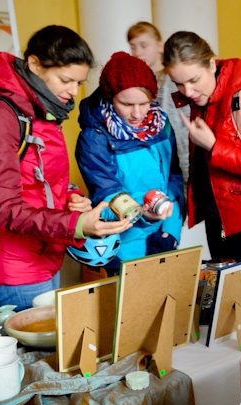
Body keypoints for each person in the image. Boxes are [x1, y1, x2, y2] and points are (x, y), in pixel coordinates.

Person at [0, 26, 130, 310]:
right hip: (12, 261)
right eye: (66, 80)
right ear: (35, 65)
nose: (73, 92)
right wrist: (76, 225)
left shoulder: (40, 107)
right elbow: (4, 207)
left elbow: (39, 180)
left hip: (44, 250)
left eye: (79, 82)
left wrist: (71, 197)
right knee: (41, 350)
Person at [163, 31, 241, 262]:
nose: (188, 92)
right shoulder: (202, 99)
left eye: (193, 80)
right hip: (218, 218)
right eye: (178, 83)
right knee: (223, 294)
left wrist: (213, 146)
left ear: (211, 64)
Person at [75, 51, 183, 270]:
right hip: (124, 245)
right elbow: (106, 196)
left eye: (144, 103)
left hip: (164, 237)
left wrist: (171, 229)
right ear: (109, 97)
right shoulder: (94, 138)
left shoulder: (161, 124)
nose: (137, 114)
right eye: (126, 104)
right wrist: (144, 214)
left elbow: (174, 178)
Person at [127, 21, 189, 185]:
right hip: (149, 160)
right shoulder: (133, 83)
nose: (138, 52)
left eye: (144, 45)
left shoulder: (176, 80)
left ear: (160, 46)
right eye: (133, 47)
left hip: (181, 158)